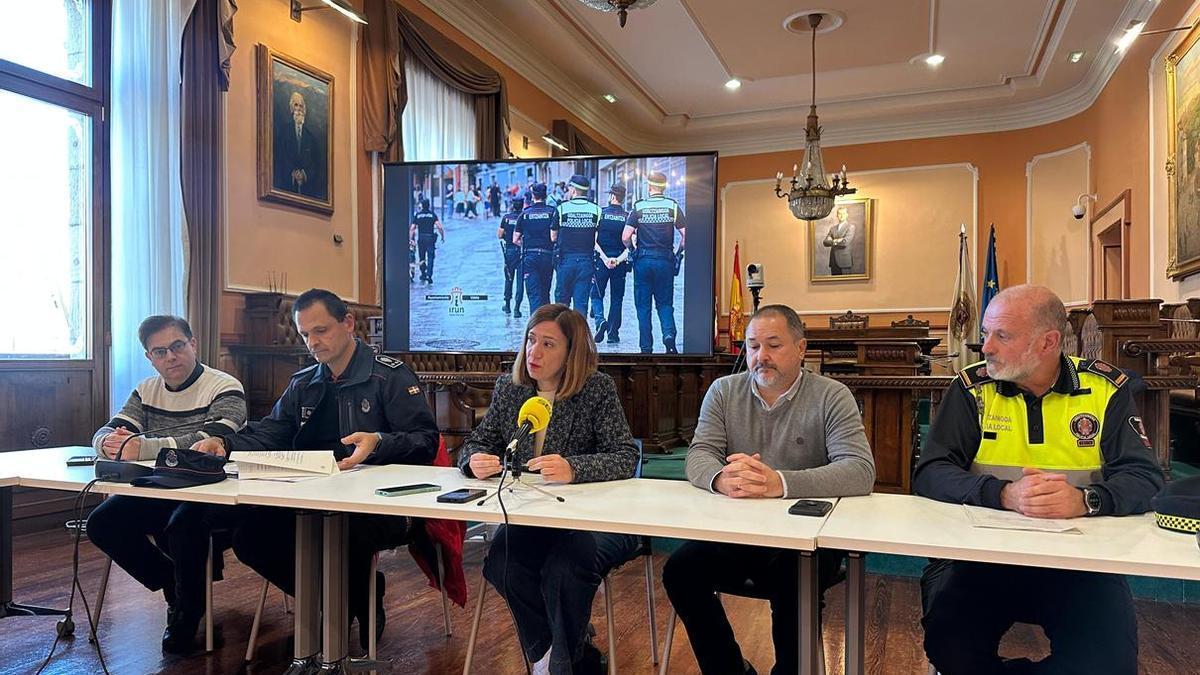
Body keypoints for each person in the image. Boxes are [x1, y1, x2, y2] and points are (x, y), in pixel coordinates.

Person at [913, 284, 1164, 675]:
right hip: (983, 557)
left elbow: (1145, 478)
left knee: (1109, 662)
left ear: (1048, 342)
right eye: (985, 335)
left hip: (1079, 563)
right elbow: (931, 471)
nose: (987, 348)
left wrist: (1086, 500)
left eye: (1002, 336)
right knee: (949, 646)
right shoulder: (972, 389)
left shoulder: (1105, 389)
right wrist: (1004, 494)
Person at [192, 288, 441, 650]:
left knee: (342, 530)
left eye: (321, 331)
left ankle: (343, 614)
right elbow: (272, 433)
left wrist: (380, 442)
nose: (313, 342)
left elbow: (426, 441)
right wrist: (225, 444)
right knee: (250, 537)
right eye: (306, 334)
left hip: (378, 505)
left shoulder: (390, 376)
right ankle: (346, 600)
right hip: (309, 497)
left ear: (348, 324)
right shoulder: (303, 382)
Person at [662, 305, 875, 675]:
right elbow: (699, 454)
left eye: (773, 345)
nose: (761, 356)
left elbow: (859, 471)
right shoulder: (724, 391)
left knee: (795, 585)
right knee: (680, 571)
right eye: (753, 346)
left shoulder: (832, 395)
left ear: (801, 348)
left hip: (808, 539)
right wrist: (720, 478)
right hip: (737, 531)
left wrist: (780, 482)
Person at [459, 304, 640, 675]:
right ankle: (560, 658)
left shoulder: (596, 389)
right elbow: (478, 441)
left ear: (572, 353)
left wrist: (575, 468)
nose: (534, 352)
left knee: (565, 568)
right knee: (502, 564)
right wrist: (474, 459)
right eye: (530, 340)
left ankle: (557, 665)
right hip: (535, 515)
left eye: (548, 344)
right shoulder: (511, 390)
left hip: (596, 518)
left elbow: (624, 455)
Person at [86, 315, 247, 654]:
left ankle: (188, 612)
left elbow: (212, 438)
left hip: (213, 491)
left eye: (176, 347)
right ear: (150, 358)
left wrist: (140, 448)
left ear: (193, 344)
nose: (170, 357)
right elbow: (106, 432)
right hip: (159, 488)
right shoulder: (145, 390)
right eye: (160, 352)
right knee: (101, 523)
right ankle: (175, 585)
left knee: (182, 525)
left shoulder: (224, 386)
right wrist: (109, 445)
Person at [623, 171, 686, 354]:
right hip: (665, 260)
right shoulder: (672, 206)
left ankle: (646, 347)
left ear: (649, 187)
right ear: (664, 187)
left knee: (643, 306)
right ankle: (668, 335)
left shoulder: (639, 207)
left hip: (643, 260)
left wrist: (633, 251)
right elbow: (685, 235)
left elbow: (626, 236)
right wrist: (677, 252)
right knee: (665, 303)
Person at [552, 174, 602, 314]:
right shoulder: (597, 210)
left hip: (565, 261)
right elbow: (598, 238)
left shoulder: (562, 209)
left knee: (562, 304)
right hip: (586, 262)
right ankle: (578, 335)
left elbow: (553, 236)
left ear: (573, 190)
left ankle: (562, 334)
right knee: (581, 304)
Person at [590, 183, 631, 344]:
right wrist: (617, 260)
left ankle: (600, 321)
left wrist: (605, 258)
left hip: (601, 262)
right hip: (619, 264)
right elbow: (630, 244)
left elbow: (593, 240)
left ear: (612, 196)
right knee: (617, 299)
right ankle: (613, 334)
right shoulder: (628, 217)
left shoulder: (601, 213)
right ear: (623, 198)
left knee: (596, 294)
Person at [273, 90, 326, 199]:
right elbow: (280, 157)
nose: (298, 109)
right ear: (292, 108)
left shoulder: (311, 137)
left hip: (307, 190)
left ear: (304, 110)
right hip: (286, 188)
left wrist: (305, 174)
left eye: (301, 106)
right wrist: (292, 173)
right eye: (296, 105)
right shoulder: (283, 131)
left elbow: (316, 164)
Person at [515, 183, 558, 313]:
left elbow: (515, 239)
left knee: (533, 295)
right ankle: (547, 323)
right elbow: (555, 236)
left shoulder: (524, 214)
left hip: (530, 257)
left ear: (533, 195)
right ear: (545, 195)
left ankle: (535, 325)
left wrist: (527, 245)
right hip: (547, 256)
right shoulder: (552, 212)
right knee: (545, 292)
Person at [499, 196, 526, 316]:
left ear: (512, 205)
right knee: (520, 281)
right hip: (522, 251)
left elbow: (499, 235)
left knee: (509, 279)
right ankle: (517, 308)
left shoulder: (506, 218)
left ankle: (507, 305)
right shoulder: (525, 217)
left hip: (509, 251)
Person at [409, 199, 445, 285]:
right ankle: (429, 275)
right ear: (428, 205)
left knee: (422, 257)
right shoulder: (432, 215)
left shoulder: (418, 215)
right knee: (430, 257)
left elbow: (412, 228)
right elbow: (439, 226)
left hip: (421, 238)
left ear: (422, 205)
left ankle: (423, 273)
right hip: (430, 238)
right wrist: (442, 236)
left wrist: (410, 239)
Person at [821, 206, 854, 276]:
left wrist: (832, 241)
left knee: (846, 284)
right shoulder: (833, 228)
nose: (841, 215)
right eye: (839, 213)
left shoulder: (851, 227)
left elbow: (845, 242)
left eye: (843, 213)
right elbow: (825, 242)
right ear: (837, 215)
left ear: (847, 215)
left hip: (844, 261)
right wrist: (836, 241)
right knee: (834, 285)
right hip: (833, 261)